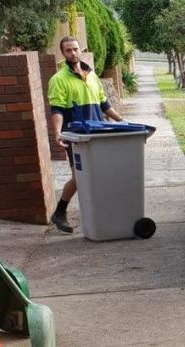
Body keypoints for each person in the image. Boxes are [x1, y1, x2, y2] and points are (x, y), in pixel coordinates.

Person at [47, 36, 125, 233]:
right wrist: (57, 132)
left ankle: (98, 214)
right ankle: (62, 212)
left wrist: (122, 122)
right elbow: (56, 109)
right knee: (80, 177)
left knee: (99, 173)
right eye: (68, 50)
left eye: (75, 49)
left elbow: (104, 104)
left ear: (80, 50)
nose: (72, 53)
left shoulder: (91, 75)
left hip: (99, 133)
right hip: (77, 136)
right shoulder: (58, 80)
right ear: (63, 54)